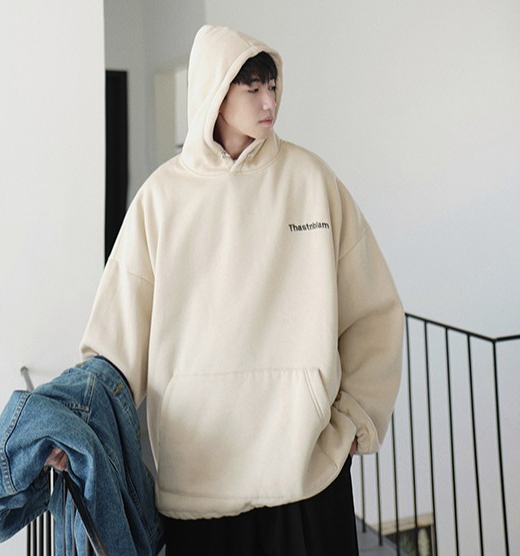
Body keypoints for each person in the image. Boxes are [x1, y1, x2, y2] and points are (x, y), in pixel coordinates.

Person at [80, 24, 404, 555]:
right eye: (251, 88)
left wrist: (353, 419)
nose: (269, 100)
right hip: (199, 480)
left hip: (307, 474)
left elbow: (374, 311)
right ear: (215, 91)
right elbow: (115, 340)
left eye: (271, 86)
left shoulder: (311, 180)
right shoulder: (161, 198)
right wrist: (78, 426)